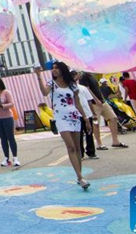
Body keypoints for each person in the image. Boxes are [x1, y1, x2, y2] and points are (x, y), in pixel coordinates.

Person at [36, 62, 92, 190]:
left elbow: (77, 104)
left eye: (56, 68)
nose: (54, 70)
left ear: (62, 70)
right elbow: (44, 93)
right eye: (53, 68)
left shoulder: (72, 85)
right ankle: (80, 177)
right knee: (71, 147)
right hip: (60, 118)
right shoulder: (52, 84)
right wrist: (39, 76)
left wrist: (86, 118)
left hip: (74, 116)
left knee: (78, 148)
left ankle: (80, 175)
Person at [85, 75, 128, 149]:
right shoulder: (84, 75)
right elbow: (87, 89)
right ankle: (99, 144)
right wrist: (95, 99)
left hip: (102, 101)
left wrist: (102, 98)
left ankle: (115, 141)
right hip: (93, 103)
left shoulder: (92, 75)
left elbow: (97, 89)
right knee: (96, 123)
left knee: (113, 118)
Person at [74, 72, 98, 160]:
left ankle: (91, 152)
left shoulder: (83, 88)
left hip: (87, 113)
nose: (75, 76)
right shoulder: (69, 88)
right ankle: (80, 153)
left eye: (75, 74)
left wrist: (93, 113)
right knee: (79, 135)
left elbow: (89, 101)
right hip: (76, 115)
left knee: (89, 133)